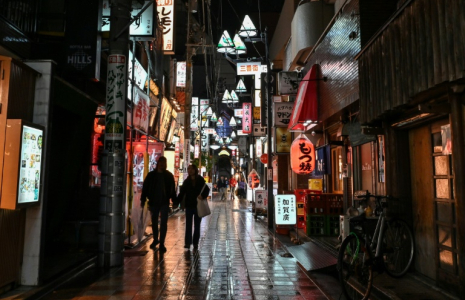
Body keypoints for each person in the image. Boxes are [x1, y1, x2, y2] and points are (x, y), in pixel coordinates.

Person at [140, 156, 177, 252]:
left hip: (164, 201)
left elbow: (172, 190)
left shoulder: (169, 176)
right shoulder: (151, 175)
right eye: (160, 163)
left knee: (163, 223)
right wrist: (143, 199)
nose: (162, 165)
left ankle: (162, 243)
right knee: (155, 222)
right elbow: (145, 187)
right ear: (158, 164)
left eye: (163, 163)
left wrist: (174, 201)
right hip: (153, 201)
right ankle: (156, 239)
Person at [177, 164, 209, 251]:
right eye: (188, 169)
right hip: (189, 205)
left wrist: (203, 196)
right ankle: (187, 243)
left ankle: (195, 243)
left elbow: (206, 189)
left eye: (191, 169)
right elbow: (182, 193)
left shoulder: (200, 180)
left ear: (195, 170)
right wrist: (176, 201)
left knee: (197, 225)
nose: (189, 170)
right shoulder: (186, 181)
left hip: (198, 206)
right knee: (188, 225)